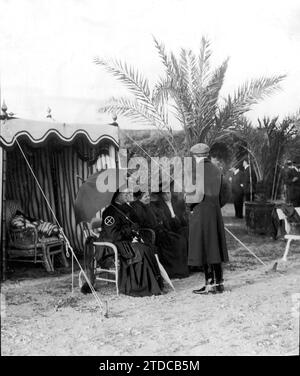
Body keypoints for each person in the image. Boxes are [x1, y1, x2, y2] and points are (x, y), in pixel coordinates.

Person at [81, 190, 164, 297]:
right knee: (141, 251)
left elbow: (136, 221)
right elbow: (113, 235)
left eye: (128, 193)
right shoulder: (109, 212)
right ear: (116, 196)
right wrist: (129, 230)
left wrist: (135, 227)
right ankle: (139, 286)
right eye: (124, 194)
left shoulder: (126, 208)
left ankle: (151, 284)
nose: (127, 195)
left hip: (125, 241)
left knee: (146, 248)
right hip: (111, 245)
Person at [186, 143, 230, 294]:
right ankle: (219, 284)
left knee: (204, 247)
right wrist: (215, 206)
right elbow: (225, 193)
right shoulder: (217, 169)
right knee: (214, 247)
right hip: (214, 212)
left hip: (201, 213)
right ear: (207, 155)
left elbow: (197, 196)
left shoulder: (198, 170)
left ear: (195, 156)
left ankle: (210, 284)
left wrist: (187, 198)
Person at [149, 191, 189, 279]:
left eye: (169, 193)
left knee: (187, 233)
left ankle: (192, 265)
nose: (168, 195)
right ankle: (178, 270)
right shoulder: (159, 205)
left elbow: (182, 217)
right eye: (165, 194)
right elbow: (164, 221)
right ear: (161, 195)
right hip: (167, 229)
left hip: (176, 226)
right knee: (179, 240)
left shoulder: (176, 203)